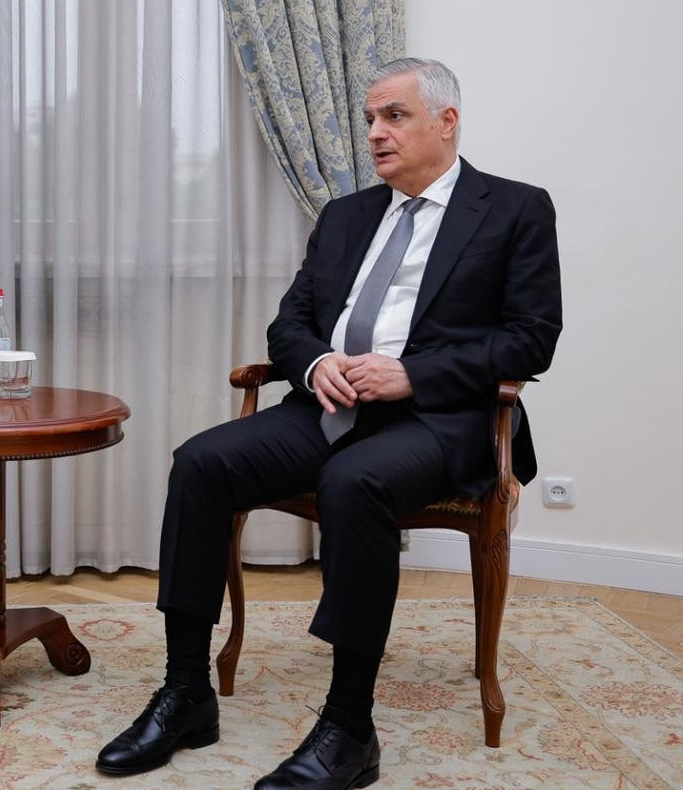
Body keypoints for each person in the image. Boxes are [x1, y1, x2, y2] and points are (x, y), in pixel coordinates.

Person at [95, 58, 562, 788]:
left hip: (438, 420)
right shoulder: (346, 215)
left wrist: (413, 373)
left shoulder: (514, 209)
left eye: (393, 116)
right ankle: (185, 692)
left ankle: (349, 728)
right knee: (201, 462)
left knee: (355, 482)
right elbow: (290, 323)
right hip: (328, 407)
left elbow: (532, 339)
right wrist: (316, 364)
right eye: (370, 118)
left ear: (446, 121)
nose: (374, 132)